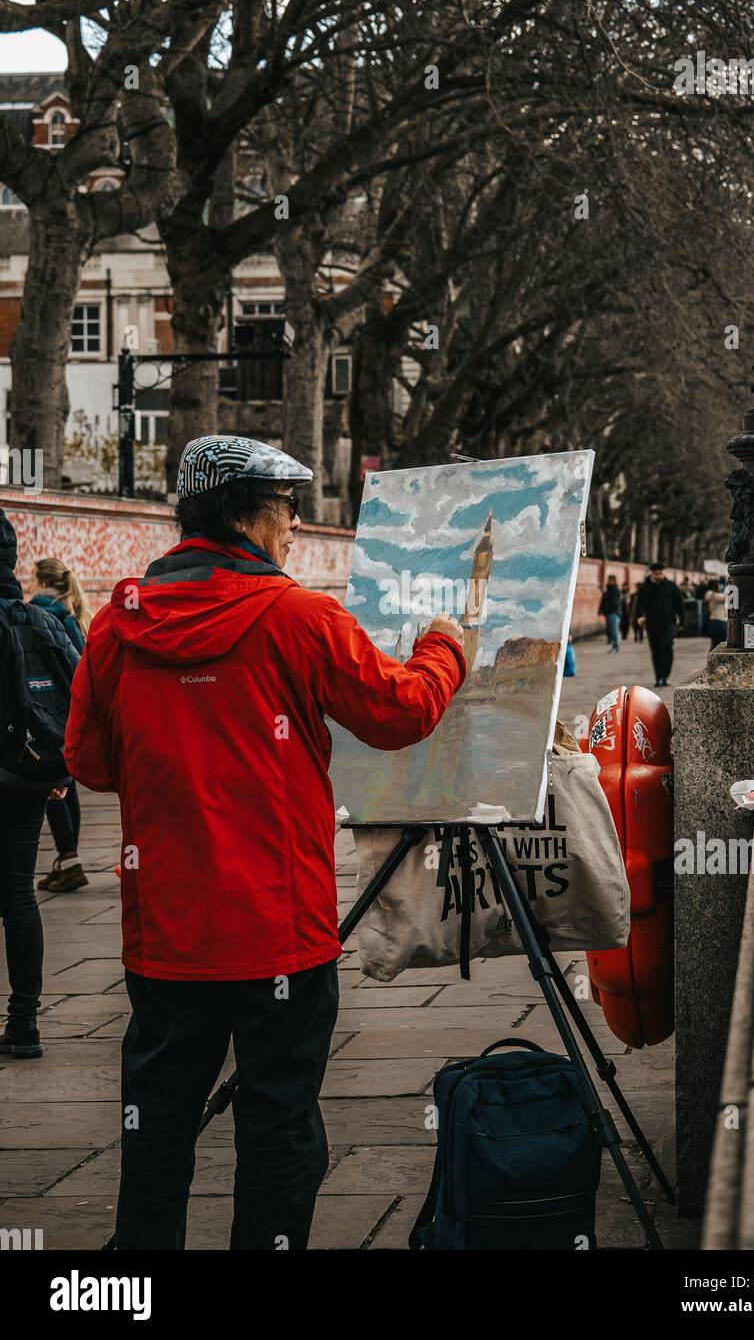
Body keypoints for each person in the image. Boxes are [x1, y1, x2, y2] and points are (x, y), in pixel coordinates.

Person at [64, 434, 467, 1252]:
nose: (293, 529)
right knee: (281, 1129)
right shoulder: (299, 617)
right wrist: (445, 647)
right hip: (279, 933)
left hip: (166, 936)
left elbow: (89, 764)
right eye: (288, 511)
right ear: (250, 513)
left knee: (156, 1134)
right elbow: (400, 712)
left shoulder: (115, 627)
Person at [0, 510, 80, 1059]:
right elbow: (83, 693)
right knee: (18, 894)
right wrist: (61, 767)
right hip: (26, 778)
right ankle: (24, 1022)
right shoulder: (40, 620)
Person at [30, 558, 92, 893]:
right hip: (71, 713)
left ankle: (69, 858)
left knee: (50, 786)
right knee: (66, 785)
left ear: (39, 580)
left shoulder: (37, 612)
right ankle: (69, 860)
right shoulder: (72, 613)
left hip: (45, 711)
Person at [635, 562, 684, 688]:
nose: (659, 576)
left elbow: (679, 604)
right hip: (652, 624)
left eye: (661, 573)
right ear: (652, 573)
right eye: (656, 574)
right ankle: (658, 677)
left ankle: (665, 675)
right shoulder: (644, 588)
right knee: (656, 650)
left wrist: (682, 621)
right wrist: (639, 616)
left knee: (666, 647)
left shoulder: (671, 586)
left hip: (668, 623)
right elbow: (639, 605)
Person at [598, 575, 622, 653]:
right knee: (612, 631)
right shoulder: (608, 590)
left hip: (613, 613)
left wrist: (608, 610)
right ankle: (614, 646)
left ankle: (616, 647)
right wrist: (601, 611)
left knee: (614, 630)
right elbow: (604, 601)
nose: (609, 581)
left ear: (614, 581)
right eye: (609, 580)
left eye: (611, 580)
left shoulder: (615, 590)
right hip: (609, 613)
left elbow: (614, 603)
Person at [704, 578, 728, 649]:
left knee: (715, 644)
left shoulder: (712, 594)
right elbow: (726, 597)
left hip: (716, 621)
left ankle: (711, 659)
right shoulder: (711, 594)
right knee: (718, 644)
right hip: (718, 621)